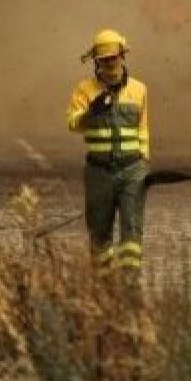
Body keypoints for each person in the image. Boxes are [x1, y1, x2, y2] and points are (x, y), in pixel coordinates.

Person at [66, 29, 151, 278]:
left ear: (122, 56)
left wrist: (144, 161)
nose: (109, 64)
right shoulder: (84, 90)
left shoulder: (139, 90)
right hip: (99, 173)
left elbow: (143, 128)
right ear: (95, 61)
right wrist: (90, 113)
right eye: (104, 60)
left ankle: (130, 285)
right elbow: (72, 124)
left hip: (133, 170)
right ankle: (104, 287)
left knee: (132, 231)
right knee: (99, 232)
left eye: (113, 58)